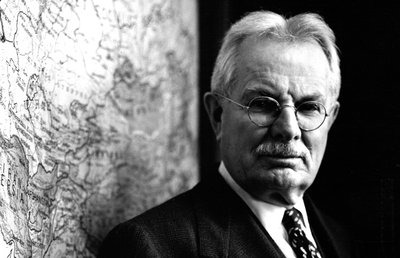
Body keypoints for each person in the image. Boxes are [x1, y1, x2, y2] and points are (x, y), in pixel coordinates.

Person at [99, 10, 352, 258]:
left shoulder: (344, 240)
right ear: (218, 115)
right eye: (263, 104)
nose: (288, 129)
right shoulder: (148, 246)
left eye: (308, 108)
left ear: (330, 119)